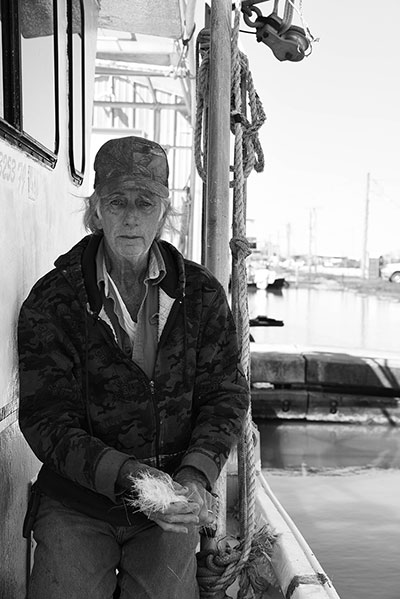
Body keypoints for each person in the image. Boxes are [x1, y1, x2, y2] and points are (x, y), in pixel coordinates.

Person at [18, 136, 249, 599]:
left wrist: (195, 474)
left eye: (145, 202)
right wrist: (132, 479)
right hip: (77, 502)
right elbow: (46, 421)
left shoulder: (201, 295)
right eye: (117, 201)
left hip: (174, 502)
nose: (130, 216)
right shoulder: (54, 299)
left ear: (163, 212)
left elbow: (225, 395)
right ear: (96, 210)